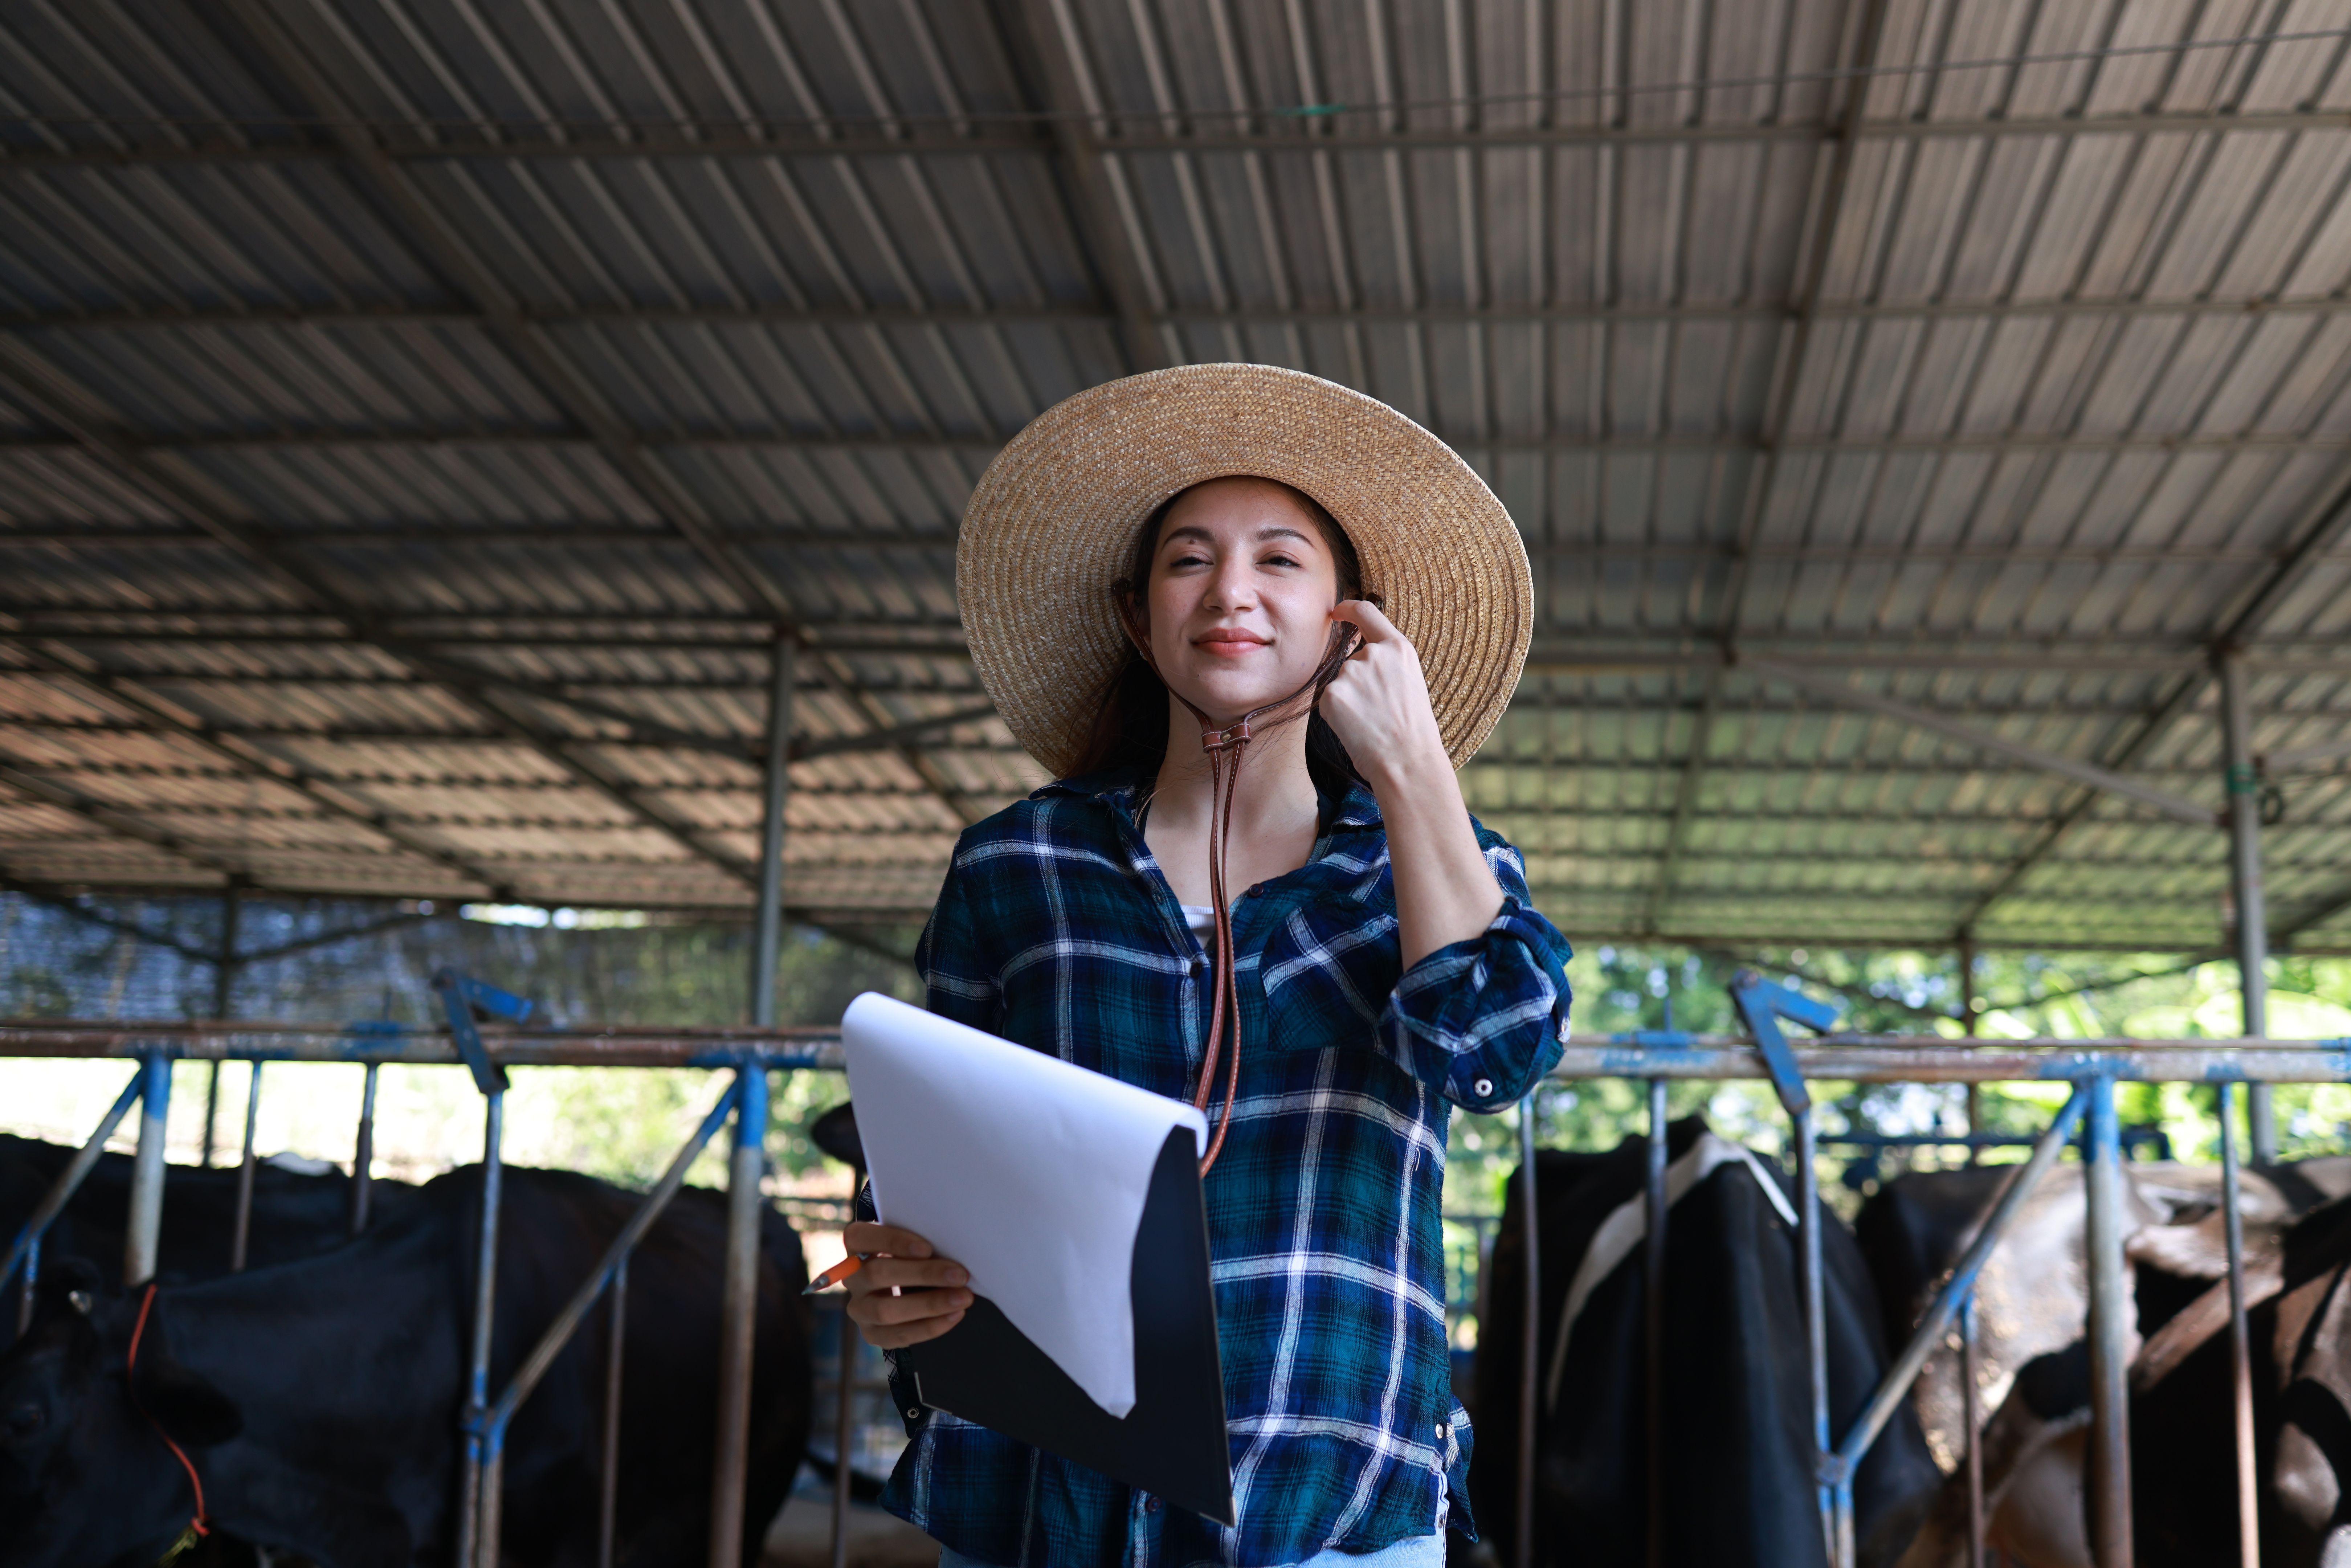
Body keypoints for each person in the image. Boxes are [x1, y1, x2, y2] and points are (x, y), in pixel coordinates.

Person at [840, 364, 1573, 1568]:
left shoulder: (1431, 857)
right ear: (1141, 619)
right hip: (1047, 1495)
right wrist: (890, 1268)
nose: (1232, 590)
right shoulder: (1018, 863)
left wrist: (1412, 767)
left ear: (1350, 622)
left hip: (1328, 1496)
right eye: (1190, 560)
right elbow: (926, 1150)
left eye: (1281, 560)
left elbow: (1495, 1056)